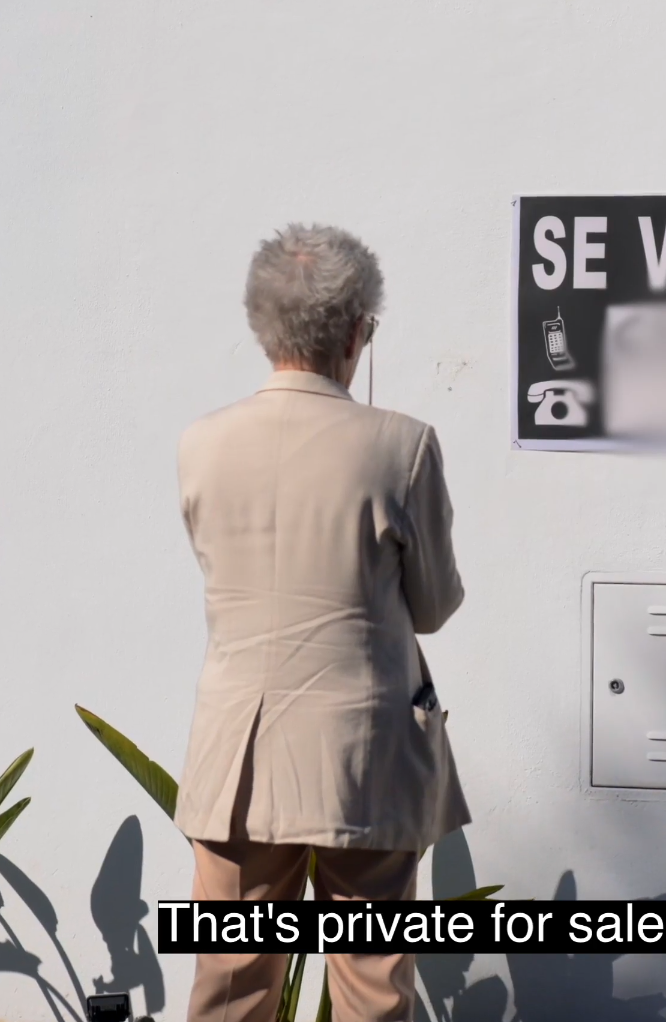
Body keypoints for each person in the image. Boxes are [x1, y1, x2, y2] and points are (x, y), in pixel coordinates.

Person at [175, 224, 470, 1022]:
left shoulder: (201, 444)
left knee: (231, 988)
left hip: (238, 757)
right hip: (363, 754)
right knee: (372, 988)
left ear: (262, 327)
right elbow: (434, 606)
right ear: (355, 333)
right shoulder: (403, 446)